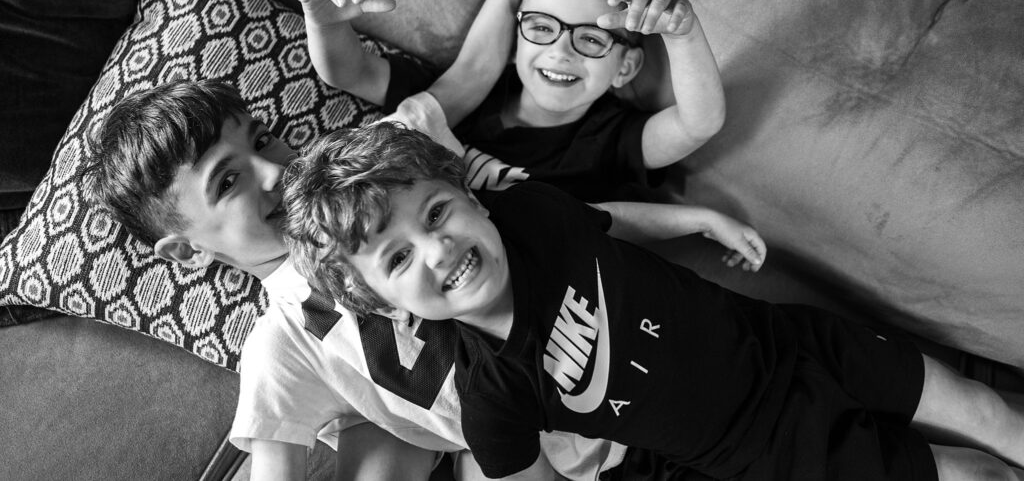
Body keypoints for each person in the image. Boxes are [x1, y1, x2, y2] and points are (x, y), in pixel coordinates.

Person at [285, 121, 1024, 481]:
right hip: (765, 449)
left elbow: (609, 220)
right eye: (399, 256)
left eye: (438, 213)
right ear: (383, 302)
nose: (439, 250)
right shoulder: (493, 395)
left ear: (472, 198)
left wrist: (699, 219)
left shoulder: (533, 214)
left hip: (793, 341)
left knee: (987, 410)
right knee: (972, 477)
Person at [80, 79, 721, 481]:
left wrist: (682, 219)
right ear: (187, 253)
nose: (273, 172)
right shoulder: (284, 346)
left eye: (265, 140)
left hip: (644, 368)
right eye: (228, 181)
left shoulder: (397, 195)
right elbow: (277, 464)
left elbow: (568, 226)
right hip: (568, 460)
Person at [298, 0, 763, 272]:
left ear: (625, 67)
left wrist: (682, 33)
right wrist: (325, 21)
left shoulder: (609, 138)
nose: (560, 52)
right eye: (542, 28)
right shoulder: (466, 96)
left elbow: (697, 122)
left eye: (591, 39)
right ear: (515, 35)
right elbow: (349, 72)